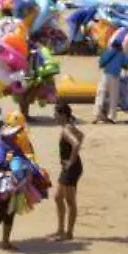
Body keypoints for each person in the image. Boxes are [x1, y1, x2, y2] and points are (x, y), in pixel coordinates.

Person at [52, 102, 84, 241]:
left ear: (63, 115)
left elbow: (76, 143)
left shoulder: (66, 130)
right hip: (70, 167)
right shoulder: (69, 127)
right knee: (58, 197)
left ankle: (68, 233)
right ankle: (60, 230)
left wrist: (71, 160)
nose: (54, 117)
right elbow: (81, 136)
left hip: (71, 168)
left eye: (56, 114)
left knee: (70, 201)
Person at [94, 39, 128, 124]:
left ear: (112, 46)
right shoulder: (122, 54)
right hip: (115, 76)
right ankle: (111, 117)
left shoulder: (107, 52)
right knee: (114, 97)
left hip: (106, 75)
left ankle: (98, 115)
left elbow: (101, 63)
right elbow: (125, 65)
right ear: (120, 46)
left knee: (100, 94)